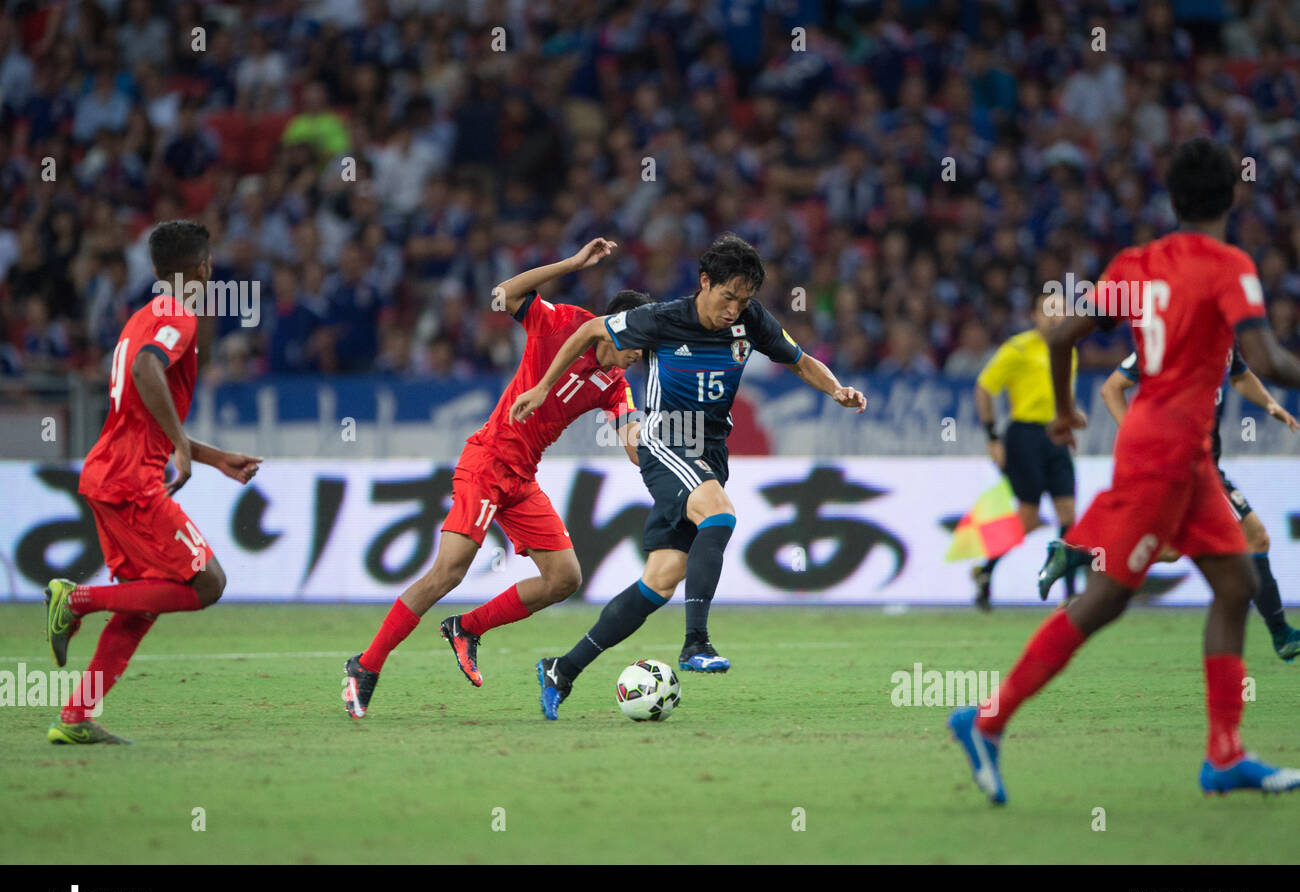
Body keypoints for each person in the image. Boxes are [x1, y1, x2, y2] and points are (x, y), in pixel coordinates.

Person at [951, 139, 1300, 803]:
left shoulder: (1137, 263)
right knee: (1106, 599)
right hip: (1166, 457)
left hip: (1179, 451)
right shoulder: (1230, 265)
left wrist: (1061, 413)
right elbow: (1267, 357)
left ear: (1173, 198)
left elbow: (1059, 337)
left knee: (1235, 583)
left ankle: (1224, 753)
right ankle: (985, 719)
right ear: (1233, 195)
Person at [510, 233, 866, 720]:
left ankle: (562, 669)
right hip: (665, 438)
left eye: (744, 300)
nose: (734, 309)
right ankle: (695, 642)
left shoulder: (751, 321)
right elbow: (590, 332)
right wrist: (544, 387)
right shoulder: (660, 319)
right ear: (705, 283)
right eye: (727, 297)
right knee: (719, 514)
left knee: (660, 580)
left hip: (711, 452)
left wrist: (837, 390)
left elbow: (801, 361)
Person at [342, 238, 648, 718]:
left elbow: (631, 442)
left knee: (564, 577)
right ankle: (366, 665)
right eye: (639, 341)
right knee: (449, 570)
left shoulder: (617, 386)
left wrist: (651, 446)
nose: (641, 353)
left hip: (521, 476)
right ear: (615, 328)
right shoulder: (563, 323)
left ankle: (466, 628)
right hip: (488, 461)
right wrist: (570, 263)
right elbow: (502, 295)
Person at [43, 220, 263, 744]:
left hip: (109, 474)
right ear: (203, 269)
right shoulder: (178, 316)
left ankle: (75, 717)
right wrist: (183, 449)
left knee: (144, 601)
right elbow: (146, 370)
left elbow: (142, 399)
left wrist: (210, 458)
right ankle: (74, 602)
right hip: (131, 481)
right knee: (209, 583)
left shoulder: (142, 316)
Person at [1041, 347, 1299, 659]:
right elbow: (1111, 388)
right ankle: (1280, 633)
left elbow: (1240, 376)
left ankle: (1078, 556)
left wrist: (1271, 405)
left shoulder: (1223, 338)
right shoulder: (1169, 339)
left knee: (1170, 550)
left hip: (1203, 464)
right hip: (1188, 466)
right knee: (1255, 536)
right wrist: (1139, 438)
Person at [972, 292, 1079, 609]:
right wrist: (992, 437)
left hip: (1057, 436)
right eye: (1048, 311)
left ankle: (1069, 593)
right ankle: (986, 570)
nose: (1055, 317)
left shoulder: (1068, 350)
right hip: (1025, 436)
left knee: (1069, 516)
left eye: (1060, 311)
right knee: (1028, 518)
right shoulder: (1018, 348)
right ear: (1034, 315)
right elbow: (984, 387)